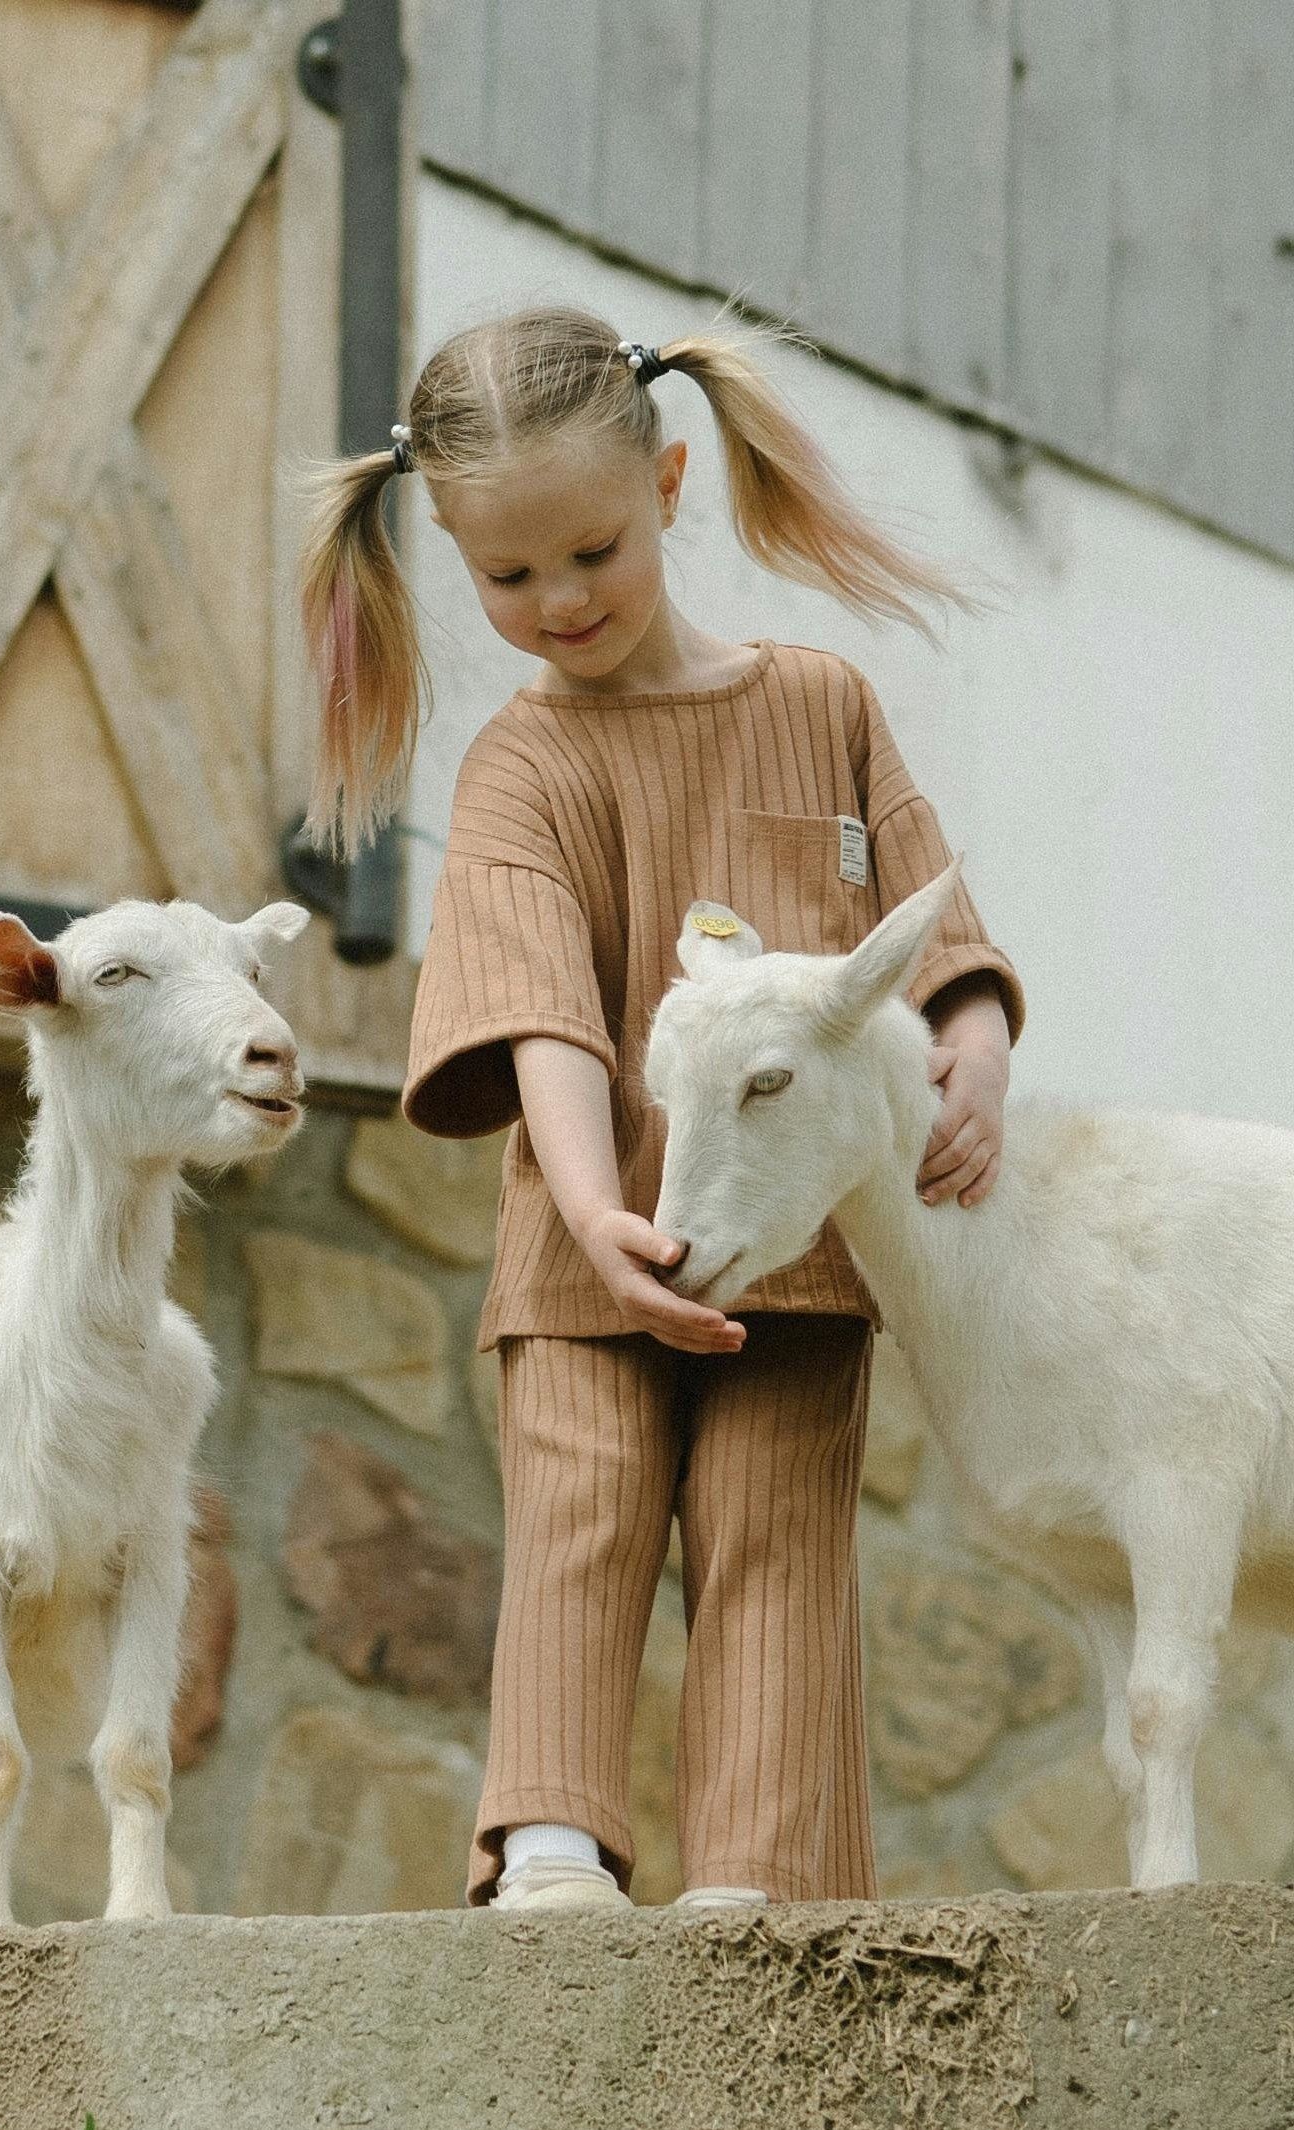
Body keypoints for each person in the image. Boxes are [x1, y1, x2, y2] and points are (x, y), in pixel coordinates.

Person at [298, 307, 1022, 1912]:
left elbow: (930, 912)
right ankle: (552, 1845)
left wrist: (973, 1039)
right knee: (583, 1503)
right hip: (588, 1251)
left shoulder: (823, 704)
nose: (558, 599)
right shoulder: (517, 767)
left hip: (797, 1249)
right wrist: (590, 1212)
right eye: (508, 575)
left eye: (593, 551)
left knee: (778, 1536)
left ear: (672, 485)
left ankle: (756, 1882)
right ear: (453, 554)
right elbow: (540, 1013)